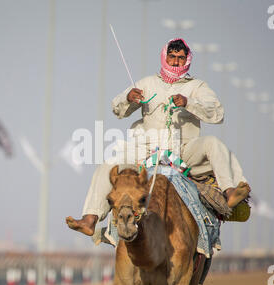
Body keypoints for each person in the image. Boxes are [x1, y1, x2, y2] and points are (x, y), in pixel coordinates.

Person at [66, 38, 250, 236]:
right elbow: (117, 110)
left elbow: (217, 113)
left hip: (184, 150)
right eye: (172, 57)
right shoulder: (147, 83)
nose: (176, 62)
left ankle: (230, 191)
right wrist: (128, 98)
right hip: (146, 151)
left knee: (214, 143)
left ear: (187, 60)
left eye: (181, 58)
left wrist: (188, 103)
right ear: (164, 57)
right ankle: (90, 218)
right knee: (109, 165)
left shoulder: (197, 87)